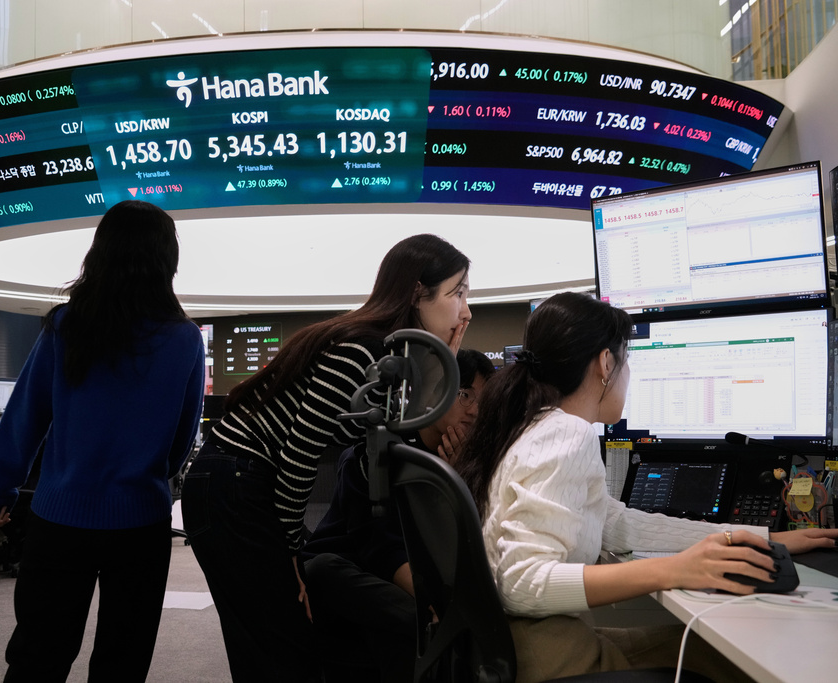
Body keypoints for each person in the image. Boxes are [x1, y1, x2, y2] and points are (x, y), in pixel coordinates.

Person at [453, 292, 838, 683]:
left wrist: (758, 538)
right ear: (606, 363)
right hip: (551, 660)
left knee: (709, 651)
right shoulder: (566, 432)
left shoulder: (531, 426)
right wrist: (673, 571)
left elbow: (618, 524)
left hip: (527, 651)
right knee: (741, 663)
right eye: (628, 359)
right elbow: (523, 583)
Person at [181, 233, 472, 682]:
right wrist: (292, 556)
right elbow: (301, 452)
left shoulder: (391, 356)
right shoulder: (364, 350)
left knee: (278, 645)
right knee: (277, 647)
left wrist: (442, 359)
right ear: (418, 293)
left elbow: (392, 444)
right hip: (233, 480)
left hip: (242, 482)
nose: (466, 311)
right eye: (458, 293)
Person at [0, 200, 206, 683]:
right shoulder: (185, 338)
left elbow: (25, 417)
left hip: (59, 518)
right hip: (141, 522)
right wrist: (146, 471)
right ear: (168, 259)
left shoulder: (66, 325)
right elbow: (182, 440)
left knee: (38, 656)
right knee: (124, 661)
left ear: (99, 253)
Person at [302, 348, 495, 683]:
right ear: (433, 394)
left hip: (404, 589)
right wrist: (435, 603)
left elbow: (466, 545)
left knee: (404, 633)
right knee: (324, 569)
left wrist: (459, 479)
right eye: (465, 395)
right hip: (351, 574)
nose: (475, 410)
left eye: (484, 401)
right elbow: (382, 551)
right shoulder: (377, 452)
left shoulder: (471, 462)